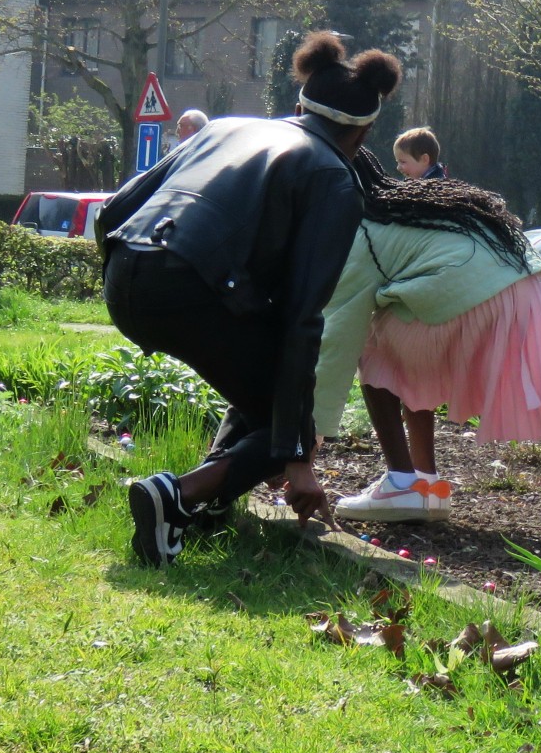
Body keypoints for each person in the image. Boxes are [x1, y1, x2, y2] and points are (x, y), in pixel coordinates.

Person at [98, 33, 401, 566]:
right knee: (291, 422)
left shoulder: (223, 127)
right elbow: (302, 319)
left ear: (299, 104)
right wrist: (297, 452)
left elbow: (112, 212)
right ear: (364, 131)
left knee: (262, 384)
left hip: (125, 271)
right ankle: (177, 496)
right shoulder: (333, 176)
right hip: (188, 289)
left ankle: (207, 503)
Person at [312, 154, 541, 521]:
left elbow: (337, 336)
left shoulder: (363, 232)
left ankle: (402, 484)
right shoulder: (405, 207)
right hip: (530, 291)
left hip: (488, 291)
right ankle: (428, 486)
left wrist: (308, 435)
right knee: (401, 342)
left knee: (374, 346)